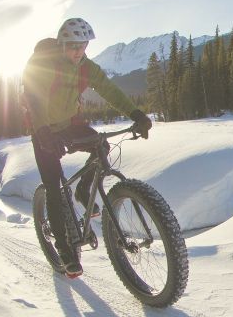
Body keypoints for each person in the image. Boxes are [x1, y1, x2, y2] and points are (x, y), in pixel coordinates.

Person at [22, 17, 151, 278]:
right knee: (55, 191)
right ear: (62, 44)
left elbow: (109, 89)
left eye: (83, 45)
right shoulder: (43, 64)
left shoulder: (85, 66)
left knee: (101, 146)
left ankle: (83, 190)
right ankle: (65, 251)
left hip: (70, 123)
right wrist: (44, 132)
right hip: (43, 128)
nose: (78, 51)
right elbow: (33, 100)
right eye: (73, 46)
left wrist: (136, 113)